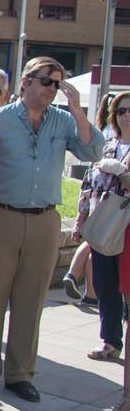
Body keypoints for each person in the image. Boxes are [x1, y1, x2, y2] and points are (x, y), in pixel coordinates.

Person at [0, 56, 103, 402]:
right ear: (25, 82)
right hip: (0, 213)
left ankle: (20, 373)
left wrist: (77, 110)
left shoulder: (63, 122)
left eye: (57, 83)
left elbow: (94, 150)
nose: (52, 89)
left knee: (32, 298)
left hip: (44, 217)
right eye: (46, 81)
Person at [78, 89, 130, 362]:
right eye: (121, 111)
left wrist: (123, 173)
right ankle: (110, 342)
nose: (126, 116)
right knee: (105, 285)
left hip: (128, 228)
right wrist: (81, 219)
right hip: (103, 224)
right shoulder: (106, 146)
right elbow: (88, 185)